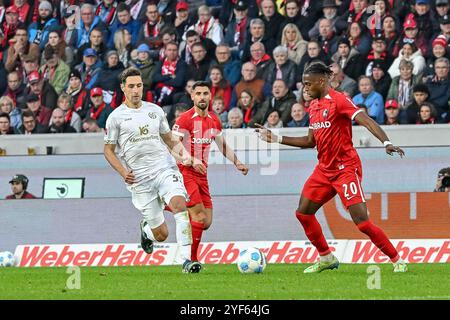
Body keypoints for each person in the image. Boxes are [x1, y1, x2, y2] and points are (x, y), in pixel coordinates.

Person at [255, 62, 408, 273]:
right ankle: (326, 257)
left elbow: (365, 120)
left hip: (346, 169)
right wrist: (277, 138)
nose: (305, 88)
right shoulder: (314, 106)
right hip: (324, 170)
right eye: (303, 85)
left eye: (308, 84)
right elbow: (310, 141)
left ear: (321, 81)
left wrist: (386, 142)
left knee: (362, 222)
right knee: (303, 213)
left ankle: (397, 259)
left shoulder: (339, 100)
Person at [104, 67, 202, 273]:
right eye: (131, 86)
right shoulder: (115, 117)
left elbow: (169, 140)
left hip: (164, 168)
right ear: (123, 88)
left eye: (139, 85)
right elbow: (108, 150)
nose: (136, 90)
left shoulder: (155, 110)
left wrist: (187, 157)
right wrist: (123, 172)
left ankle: (186, 261)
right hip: (139, 179)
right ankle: (147, 230)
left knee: (179, 205)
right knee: (161, 234)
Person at [172, 81, 249, 267]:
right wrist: (190, 159)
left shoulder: (214, 119)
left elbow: (221, 144)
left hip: (202, 174)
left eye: (205, 93)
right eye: (198, 93)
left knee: (206, 222)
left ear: (210, 96)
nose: (202, 97)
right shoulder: (184, 119)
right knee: (198, 217)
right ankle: (190, 261)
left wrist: (237, 161)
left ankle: (171, 204)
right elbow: (172, 146)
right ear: (192, 96)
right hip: (185, 172)